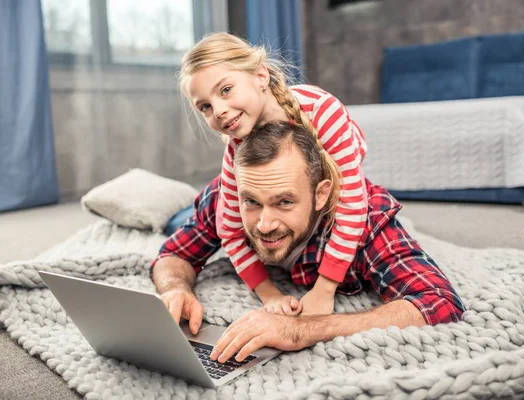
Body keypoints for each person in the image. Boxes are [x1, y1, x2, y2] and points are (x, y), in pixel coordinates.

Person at [150, 121, 465, 364]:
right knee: (173, 221)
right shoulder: (226, 199)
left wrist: (302, 330)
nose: (265, 224)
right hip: (206, 203)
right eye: (252, 202)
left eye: (284, 202)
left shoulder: (367, 220)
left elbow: (439, 302)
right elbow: (175, 253)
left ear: (320, 195)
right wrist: (175, 288)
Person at [178, 32, 368, 316]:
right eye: (205, 106)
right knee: (211, 205)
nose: (218, 110)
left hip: (337, 181)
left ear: (260, 76)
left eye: (226, 90)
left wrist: (324, 289)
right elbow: (229, 231)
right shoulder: (235, 148)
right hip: (261, 197)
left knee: (368, 215)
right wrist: (269, 294)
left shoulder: (322, 112)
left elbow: (352, 206)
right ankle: (179, 213)